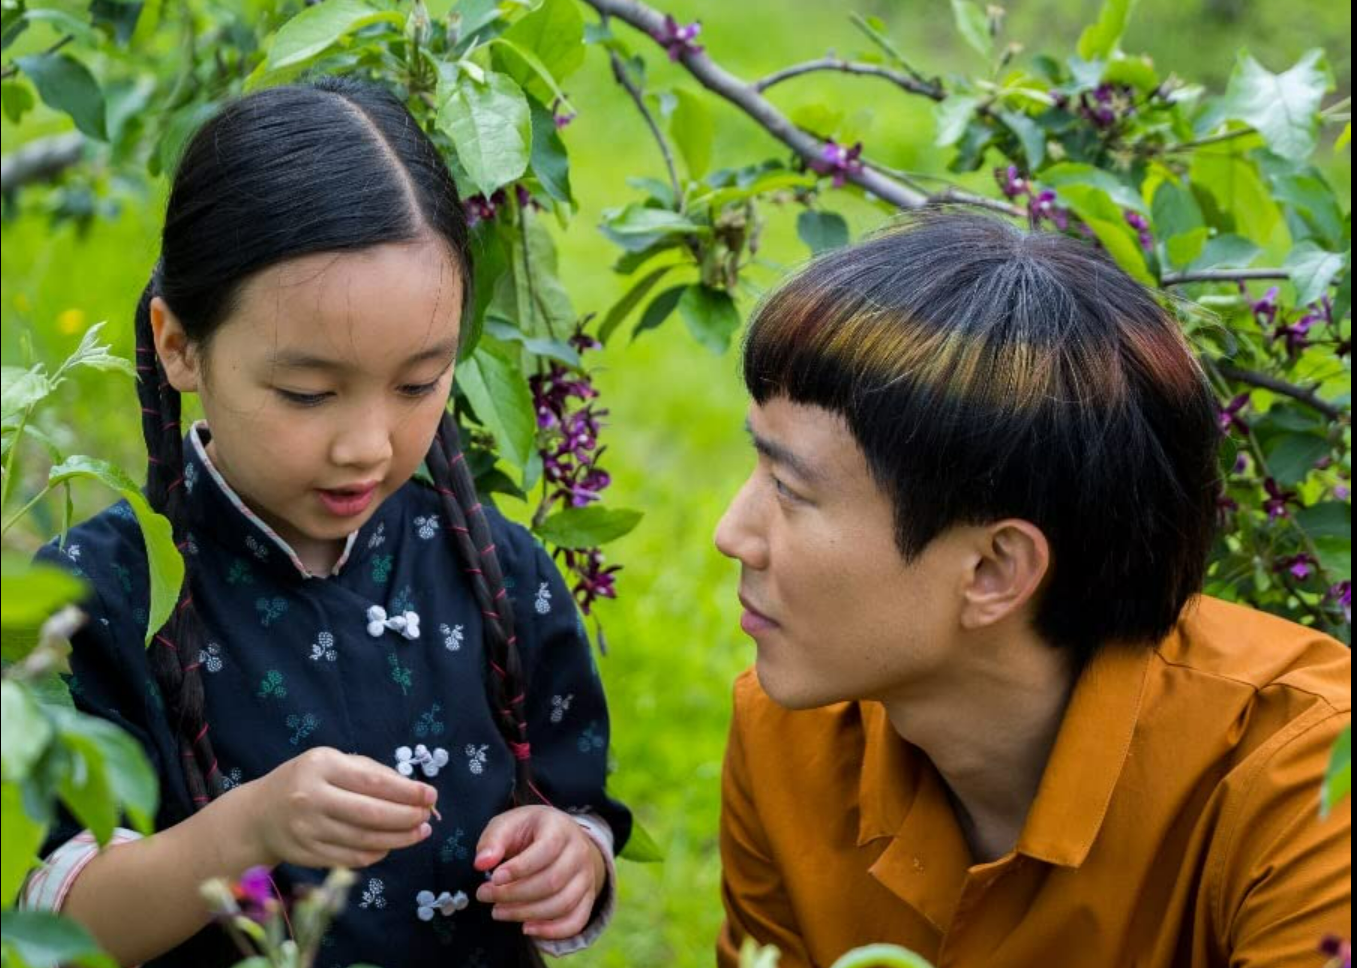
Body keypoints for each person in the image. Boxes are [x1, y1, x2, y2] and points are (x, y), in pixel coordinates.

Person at [23, 78, 629, 968]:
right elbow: (61, 931)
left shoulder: (497, 571)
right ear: (179, 344)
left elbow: (577, 802)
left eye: (420, 382)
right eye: (308, 393)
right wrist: (242, 830)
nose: (367, 445)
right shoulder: (93, 597)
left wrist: (569, 856)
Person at [713, 211, 1351, 967]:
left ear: (993, 570)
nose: (732, 533)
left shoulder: (1308, 782)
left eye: (788, 488)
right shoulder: (788, 738)